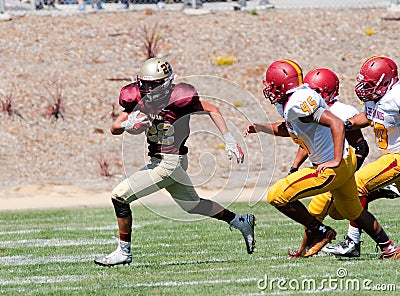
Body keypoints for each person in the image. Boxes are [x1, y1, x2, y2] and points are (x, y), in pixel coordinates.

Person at [94, 57, 255, 267]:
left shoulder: (180, 97)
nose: (150, 89)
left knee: (119, 196)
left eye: (155, 84)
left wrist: (229, 139)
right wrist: (127, 125)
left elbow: (212, 109)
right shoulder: (134, 96)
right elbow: (114, 128)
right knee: (193, 205)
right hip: (162, 161)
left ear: (167, 82)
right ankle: (241, 221)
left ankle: (124, 252)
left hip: (170, 162)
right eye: (146, 83)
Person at [244, 59, 400, 259]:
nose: (268, 90)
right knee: (352, 212)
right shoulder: (291, 103)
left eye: (271, 86)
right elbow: (290, 128)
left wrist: (334, 160)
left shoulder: (298, 103)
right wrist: (261, 127)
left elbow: (336, 124)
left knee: (276, 195)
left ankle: (320, 232)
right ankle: (389, 248)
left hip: (333, 167)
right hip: (344, 162)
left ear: (281, 85)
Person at [287, 68, 399, 258]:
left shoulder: (394, 96)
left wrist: (349, 170)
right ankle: (304, 250)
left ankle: (356, 242)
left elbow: (361, 147)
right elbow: (307, 143)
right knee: (333, 213)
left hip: (364, 162)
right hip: (329, 167)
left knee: (356, 189)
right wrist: (294, 166)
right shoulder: (308, 110)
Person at [323, 56, 400, 258]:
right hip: (390, 156)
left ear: (387, 82)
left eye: (371, 84)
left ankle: (353, 241)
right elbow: (367, 116)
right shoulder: (376, 99)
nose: (366, 88)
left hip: (397, 157)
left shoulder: (397, 96)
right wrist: (346, 124)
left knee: (357, 184)